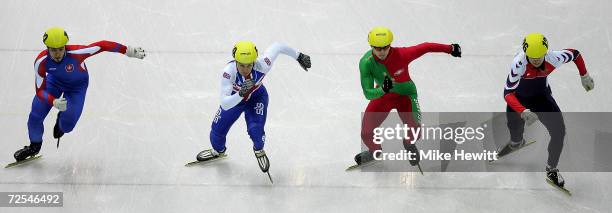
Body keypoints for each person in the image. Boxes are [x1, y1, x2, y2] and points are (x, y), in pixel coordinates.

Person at [13, 27, 146, 161]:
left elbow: (103, 45)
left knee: (67, 125)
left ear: (65, 46)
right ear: (47, 48)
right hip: (54, 83)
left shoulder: (77, 52)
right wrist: (53, 101)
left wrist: (127, 50)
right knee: (35, 115)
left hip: (77, 88)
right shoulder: (40, 62)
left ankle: (61, 122)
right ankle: (34, 146)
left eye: (60, 49)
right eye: (53, 50)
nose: (58, 53)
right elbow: (40, 90)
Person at [195, 41, 311, 174]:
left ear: (254, 61)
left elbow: (277, 47)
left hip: (256, 98)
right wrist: (240, 94)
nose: (245, 69)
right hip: (235, 100)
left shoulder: (263, 64)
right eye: (242, 65)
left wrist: (299, 56)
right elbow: (225, 104)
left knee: (256, 131)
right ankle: (218, 151)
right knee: (216, 132)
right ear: (236, 61)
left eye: (249, 65)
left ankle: (258, 149)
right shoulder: (228, 72)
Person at [355, 27, 461, 167]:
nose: (381, 52)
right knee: (366, 132)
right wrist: (382, 89)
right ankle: (375, 150)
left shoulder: (402, 54)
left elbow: (425, 47)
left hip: (406, 96)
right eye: (377, 48)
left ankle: (409, 144)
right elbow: (368, 93)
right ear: (371, 46)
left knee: (415, 130)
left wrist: (450, 48)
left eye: (385, 48)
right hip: (383, 96)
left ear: (390, 45)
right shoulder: (366, 62)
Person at [500, 33, 594, 187]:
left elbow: (575, 54)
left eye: (540, 56)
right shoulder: (519, 63)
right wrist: (523, 111)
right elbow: (508, 93)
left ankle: (551, 169)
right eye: (532, 57)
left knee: (559, 132)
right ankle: (516, 142)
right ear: (526, 53)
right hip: (518, 99)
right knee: (514, 127)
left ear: (546, 52)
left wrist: (584, 75)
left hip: (541, 98)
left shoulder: (554, 58)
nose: (536, 60)